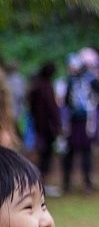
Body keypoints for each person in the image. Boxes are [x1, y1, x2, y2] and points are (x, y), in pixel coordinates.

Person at [61, 56, 99, 195]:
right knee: (86, 152)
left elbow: (66, 101)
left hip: (73, 121)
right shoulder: (93, 80)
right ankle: (87, 184)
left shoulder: (71, 80)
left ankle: (66, 183)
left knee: (70, 152)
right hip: (88, 122)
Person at [23, 65, 61, 194]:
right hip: (46, 128)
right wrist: (57, 126)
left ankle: (37, 183)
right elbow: (52, 109)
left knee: (40, 153)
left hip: (37, 126)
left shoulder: (35, 88)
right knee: (44, 156)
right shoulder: (46, 88)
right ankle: (41, 183)